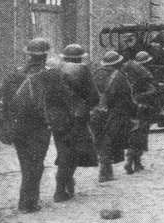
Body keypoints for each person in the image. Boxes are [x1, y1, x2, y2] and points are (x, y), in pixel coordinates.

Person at [0, 38, 64, 212]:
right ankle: (28, 203)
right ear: (45, 55)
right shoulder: (51, 75)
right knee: (36, 164)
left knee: (25, 162)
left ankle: (26, 201)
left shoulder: (14, 74)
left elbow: (0, 96)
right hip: (39, 126)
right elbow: (59, 101)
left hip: (17, 126)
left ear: (28, 54)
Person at [56, 44, 99, 200]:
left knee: (63, 151)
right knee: (75, 152)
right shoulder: (83, 70)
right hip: (77, 118)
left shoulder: (56, 69)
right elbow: (94, 96)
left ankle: (63, 185)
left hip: (58, 118)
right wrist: (86, 106)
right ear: (80, 57)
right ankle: (62, 188)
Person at [92, 50, 138, 182]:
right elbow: (127, 97)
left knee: (101, 140)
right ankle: (105, 172)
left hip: (97, 112)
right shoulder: (120, 77)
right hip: (114, 114)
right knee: (109, 140)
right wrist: (133, 112)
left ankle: (106, 170)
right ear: (118, 63)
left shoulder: (96, 74)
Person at [121, 51, 157, 174]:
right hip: (142, 109)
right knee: (140, 136)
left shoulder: (127, 74)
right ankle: (133, 162)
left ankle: (134, 162)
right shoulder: (144, 76)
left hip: (130, 108)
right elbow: (152, 91)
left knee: (133, 135)